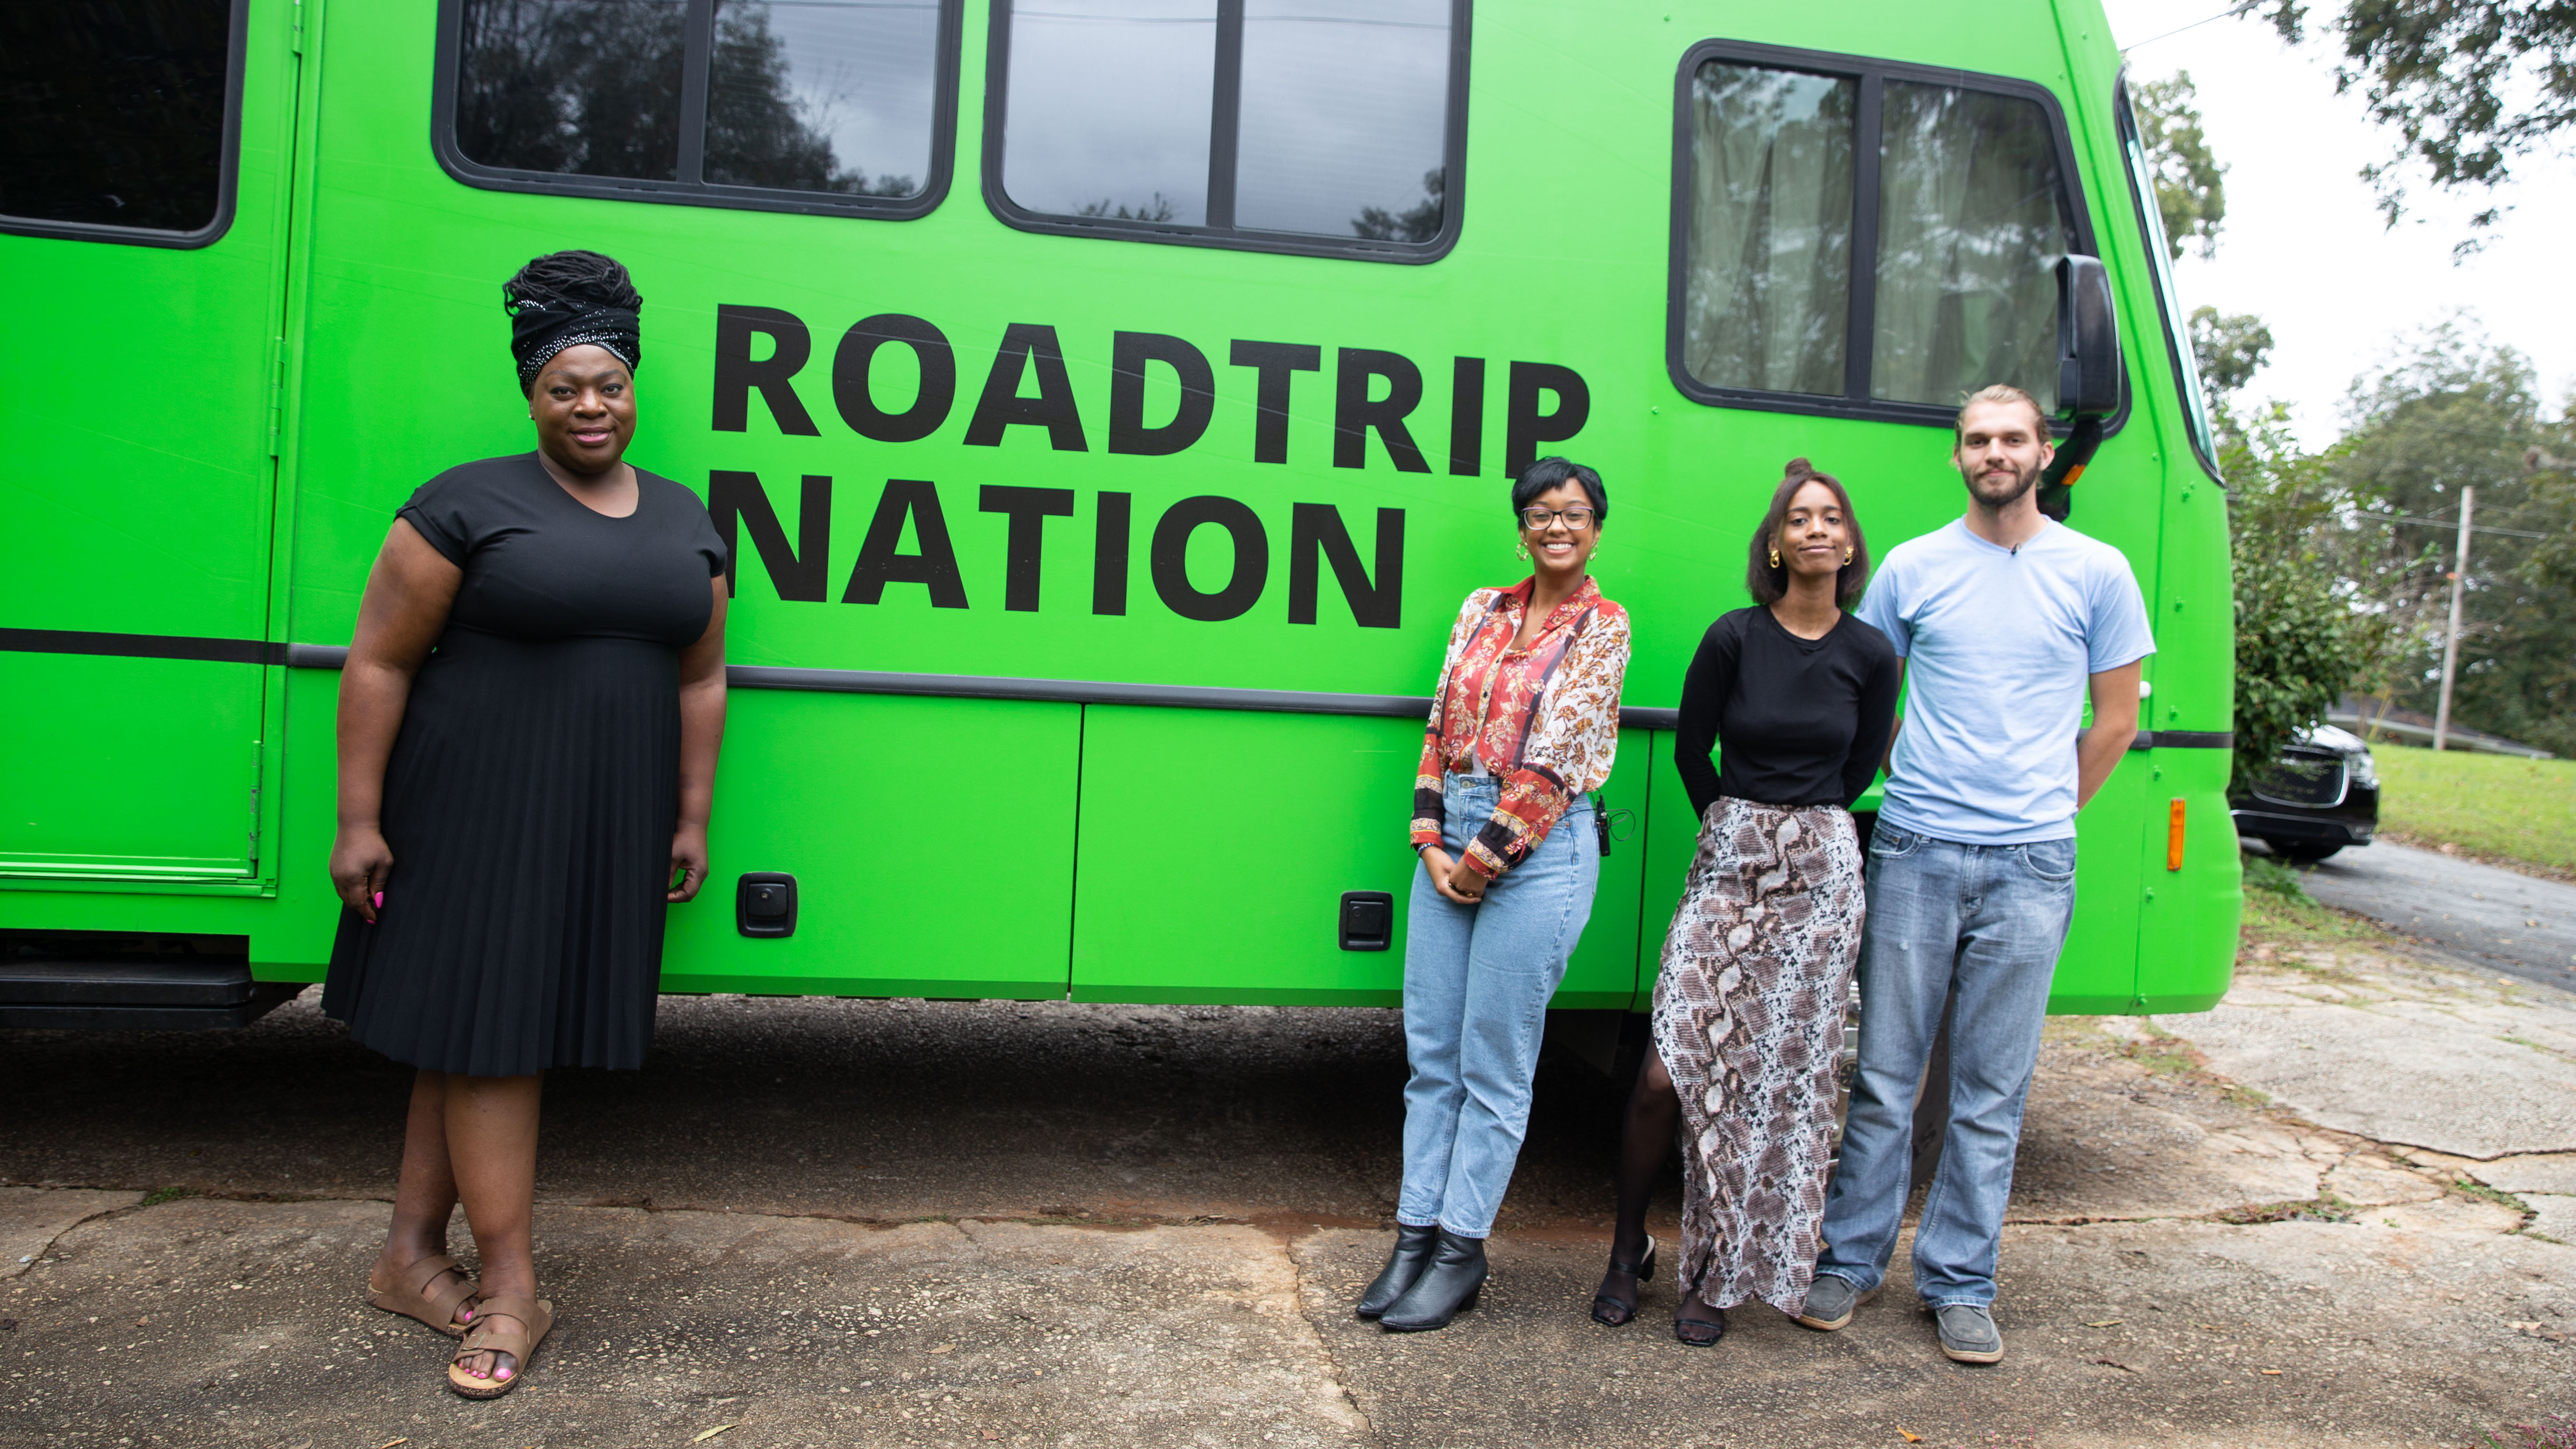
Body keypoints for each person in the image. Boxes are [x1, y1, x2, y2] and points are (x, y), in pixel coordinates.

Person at [322, 250, 730, 1398]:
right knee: (492, 1038)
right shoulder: (465, 502)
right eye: (566, 387)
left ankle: (407, 1260)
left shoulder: (690, 518)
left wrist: (691, 810)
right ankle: (510, 1288)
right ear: (531, 393)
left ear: (634, 387)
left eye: (609, 384)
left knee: (471, 1030)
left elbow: (702, 677)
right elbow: (380, 661)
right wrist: (359, 818)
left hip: (602, 815)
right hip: (472, 807)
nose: (591, 405)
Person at [1797, 385, 2152, 1364]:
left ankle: (1960, 1282)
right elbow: (1868, 694)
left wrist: (2043, 810)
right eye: (1976, 440)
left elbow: (2115, 719)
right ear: (1957, 458)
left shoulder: (2098, 571)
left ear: (2043, 452)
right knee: (1884, 1079)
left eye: (2011, 438)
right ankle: (1849, 1262)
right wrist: (1920, 775)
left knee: (1991, 1091)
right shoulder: (1913, 568)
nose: (1994, 453)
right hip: (1914, 848)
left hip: (2033, 863)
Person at [1590, 459, 1899, 1345]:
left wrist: (1798, 830)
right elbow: (1693, 753)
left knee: (1770, 1087)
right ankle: (1626, 1250)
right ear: (1775, 543)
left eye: (1830, 518)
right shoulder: (1733, 637)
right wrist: (1740, 828)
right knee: (1666, 1074)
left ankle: (1717, 1273)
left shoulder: (1871, 655)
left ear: (1848, 545)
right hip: (1730, 869)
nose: (1814, 530)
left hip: (1821, 882)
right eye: (1798, 518)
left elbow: (1858, 770)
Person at [1355, 456, 1633, 1333]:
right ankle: (1412, 1239)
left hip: (1540, 852)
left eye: (1576, 513)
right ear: (1522, 527)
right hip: (1455, 838)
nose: (1558, 526)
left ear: (1596, 529)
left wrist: (1480, 859)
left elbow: (1557, 758)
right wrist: (1430, 840)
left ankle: (1461, 1249)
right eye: (1542, 513)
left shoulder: (1605, 626)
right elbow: (1441, 727)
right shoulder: (1483, 609)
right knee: (1431, 1057)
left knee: (1494, 1065)